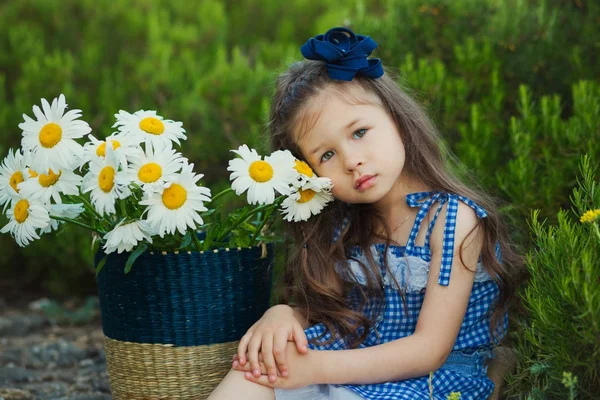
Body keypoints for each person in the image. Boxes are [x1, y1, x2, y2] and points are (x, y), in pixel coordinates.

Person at [209, 27, 521, 400]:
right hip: (348, 359)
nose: (352, 161)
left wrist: (314, 368)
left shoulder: (452, 221)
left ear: (396, 118)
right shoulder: (341, 224)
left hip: (429, 379)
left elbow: (428, 350)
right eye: (326, 155)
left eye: (359, 132)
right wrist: (284, 315)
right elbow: (325, 313)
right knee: (255, 373)